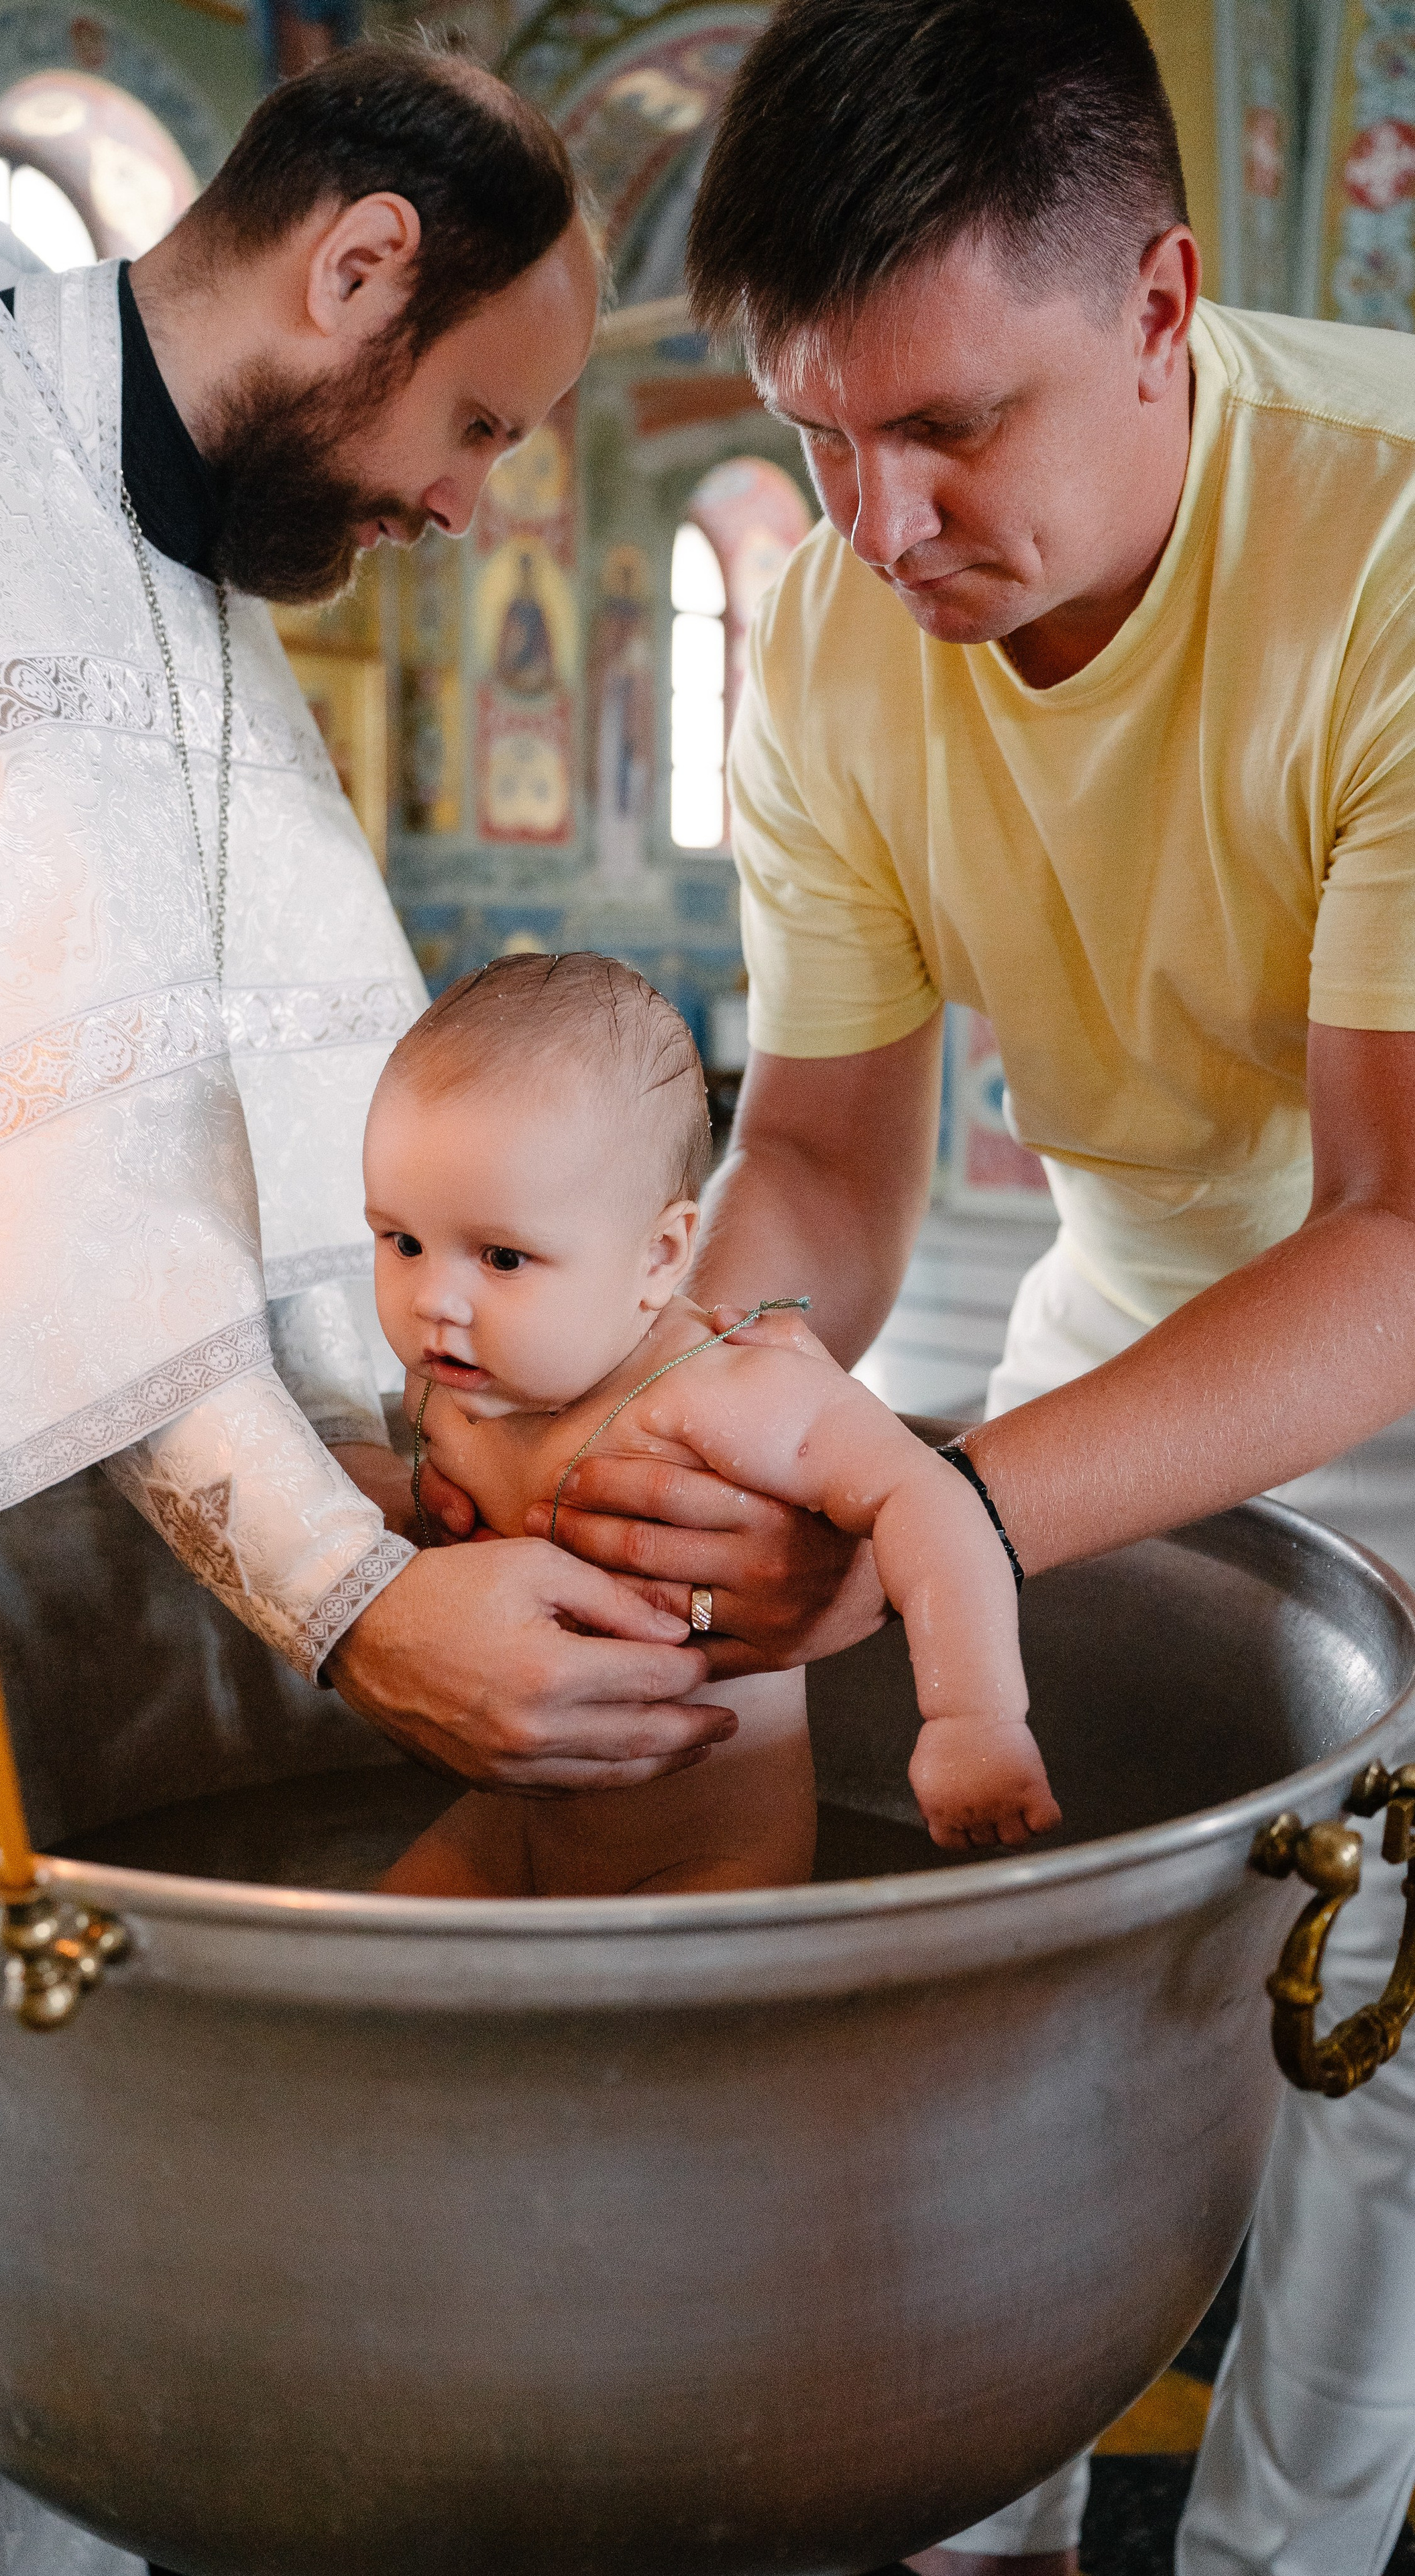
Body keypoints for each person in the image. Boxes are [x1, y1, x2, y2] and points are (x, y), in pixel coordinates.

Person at [0, 46, 750, 2572]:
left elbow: (201, 1111)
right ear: (356, 266)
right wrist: (357, 1599)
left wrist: (395, 1423)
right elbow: (21, 1154)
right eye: (477, 424)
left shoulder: (153, 531)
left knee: (3, 2300)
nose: (468, 508)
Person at [524, 0, 1415, 2569]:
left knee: (1377, 2061)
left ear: (1159, 308)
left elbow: (1394, 1229)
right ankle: (965, 2518)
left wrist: (949, 1519)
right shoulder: (834, 638)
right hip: (1125, 1316)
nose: (876, 522)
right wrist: (698, 1409)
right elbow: (820, 1158)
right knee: (1003, 1952)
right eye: (818, 434)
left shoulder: (1382, 547)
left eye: (948, 428)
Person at [366, 952, 1050, 1897]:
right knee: (363, 1966)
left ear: (660, 1256)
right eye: (402, 1240)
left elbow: (926, 1495)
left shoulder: (723, 1394)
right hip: (510, 1827)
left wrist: (972, 1718)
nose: (434, 1300)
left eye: (503, 1258)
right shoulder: (447, 1390)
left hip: (706, 1859)